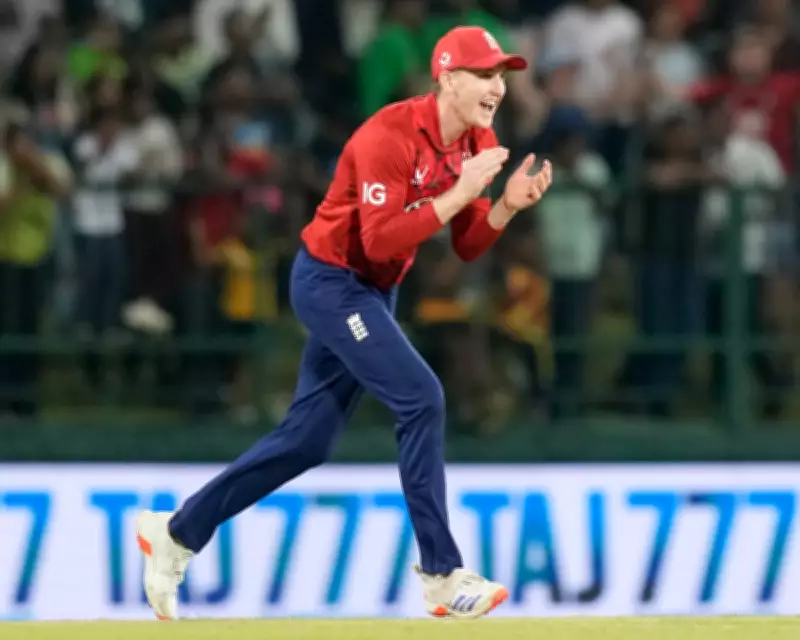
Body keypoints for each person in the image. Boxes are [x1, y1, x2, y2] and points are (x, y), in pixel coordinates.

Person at [135, 25, 552, 621]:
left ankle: (176, 533)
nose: (498, 87)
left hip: (374, 292)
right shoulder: (388, 135)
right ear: (447, 77)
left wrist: (506, 205)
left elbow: (466, 246)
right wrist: (460, 194)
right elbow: (379, 241)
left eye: (501, 75)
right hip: (330, 283)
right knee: (422, 398)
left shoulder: (477, 138)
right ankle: (441, 575)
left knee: (308, 442)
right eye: (485, 74)